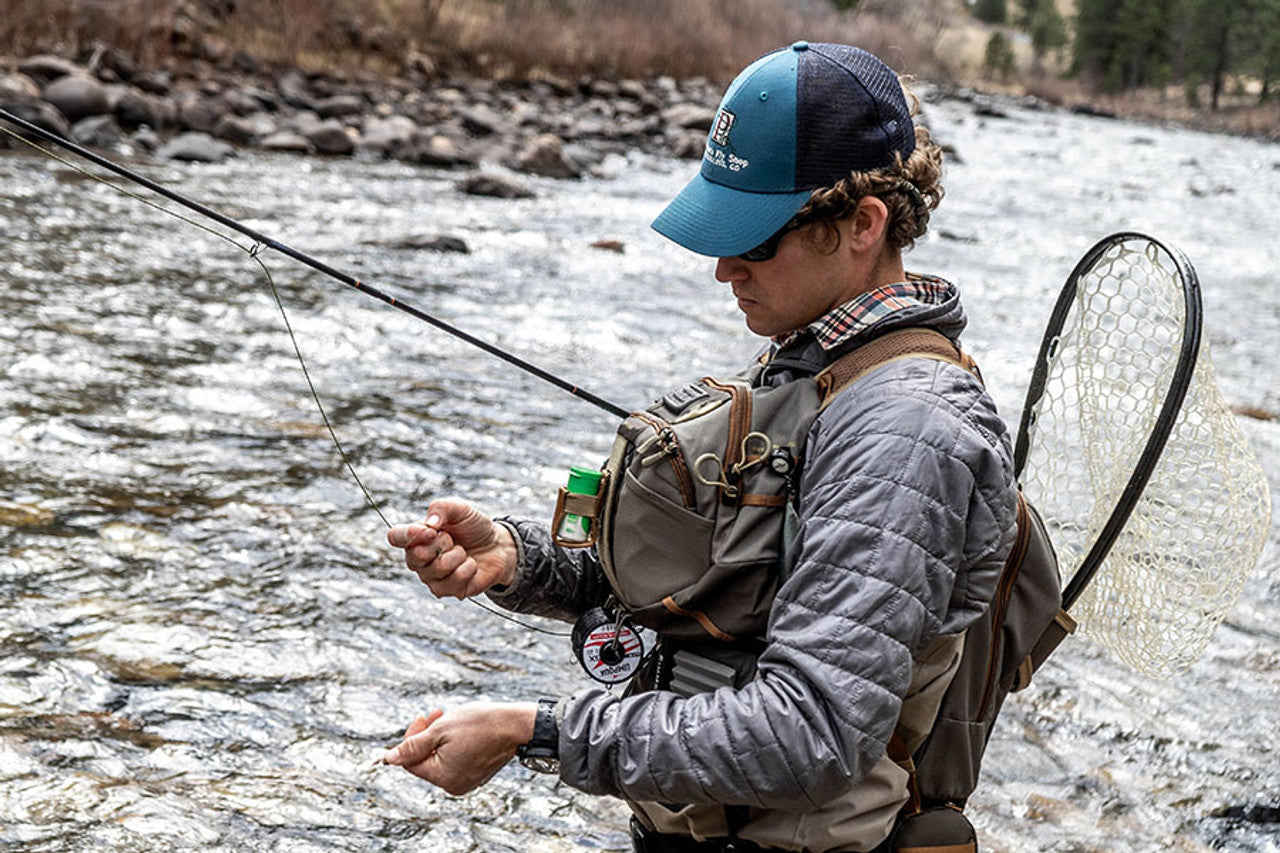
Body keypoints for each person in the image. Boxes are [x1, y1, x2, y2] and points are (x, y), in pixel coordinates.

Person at [384, 41, 1018, 853]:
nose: (724, 267)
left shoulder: (904, 429)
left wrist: (533, 731)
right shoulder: (814, 356)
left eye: (754, 239)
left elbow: (810, 730)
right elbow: (727, 588)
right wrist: (519, 561)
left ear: (864, 225)